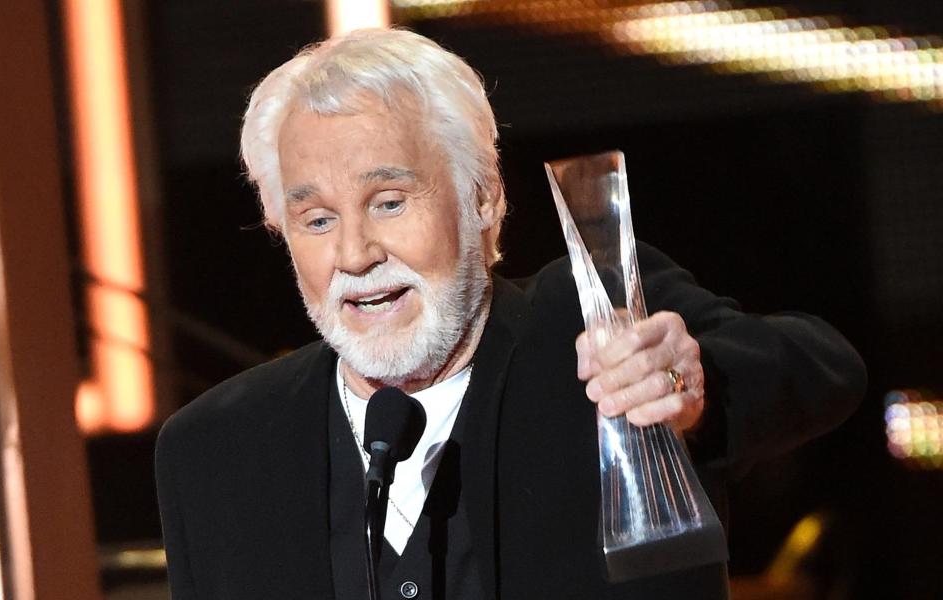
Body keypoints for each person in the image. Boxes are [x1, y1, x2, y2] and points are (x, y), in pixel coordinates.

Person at [155, 28, 865, 600]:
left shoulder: (590, 325)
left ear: (484, 199)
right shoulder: (217, 452)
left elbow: (826, 368)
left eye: (389, 202)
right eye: (315, 220)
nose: (354, 253)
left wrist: (692, 384)